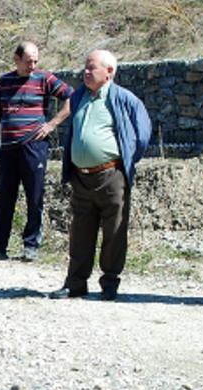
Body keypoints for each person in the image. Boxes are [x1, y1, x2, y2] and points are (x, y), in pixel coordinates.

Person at [50, 50, 152, 301]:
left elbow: (143, 135)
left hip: (111, 176)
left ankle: (109, 284)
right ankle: (75, 283)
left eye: (92, 68)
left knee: (114, 231)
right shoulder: (78, 97)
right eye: (85, 67)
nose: (85, 72)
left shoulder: (125, 99)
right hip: (81, 177)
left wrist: (124, 161)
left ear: (109, 72)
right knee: (80, 232)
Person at [0, 40, 73, 263]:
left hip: (34, 147)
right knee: (4, 197)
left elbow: (71, 97)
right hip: (8, 149)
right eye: (28, 61)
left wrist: (52, 124)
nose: (33, 65)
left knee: (34, 196)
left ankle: (31, 245)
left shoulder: (44, 79)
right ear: (16, 59)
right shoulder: (4, 82)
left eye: (36, 61)